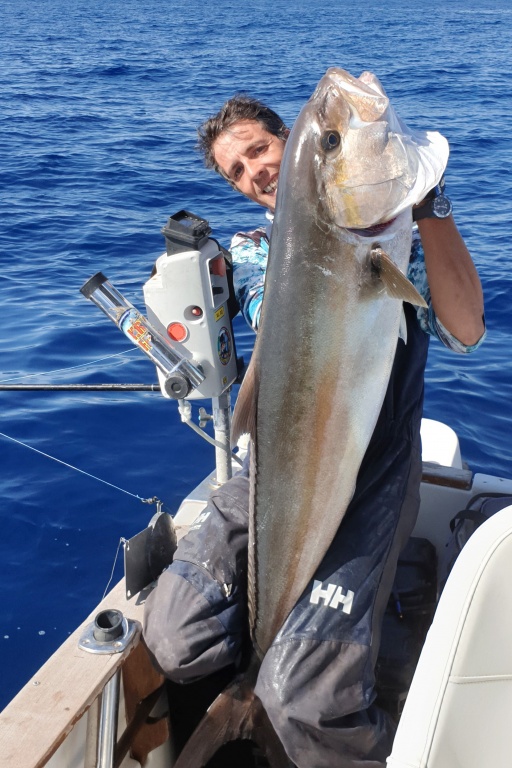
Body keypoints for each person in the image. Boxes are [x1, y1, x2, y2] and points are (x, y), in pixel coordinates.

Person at [144, 92, 485, 767]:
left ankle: (337, 720)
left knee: (303, 699)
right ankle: (264, 672)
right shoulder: (249, 253)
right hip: (272, 469)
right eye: (236, 172)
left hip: (371, 475)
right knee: (175, 634)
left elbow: (466, 331)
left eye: (260, 152)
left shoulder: (394, 241)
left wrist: (428, 204)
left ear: (285, 145)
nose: (254, 173)